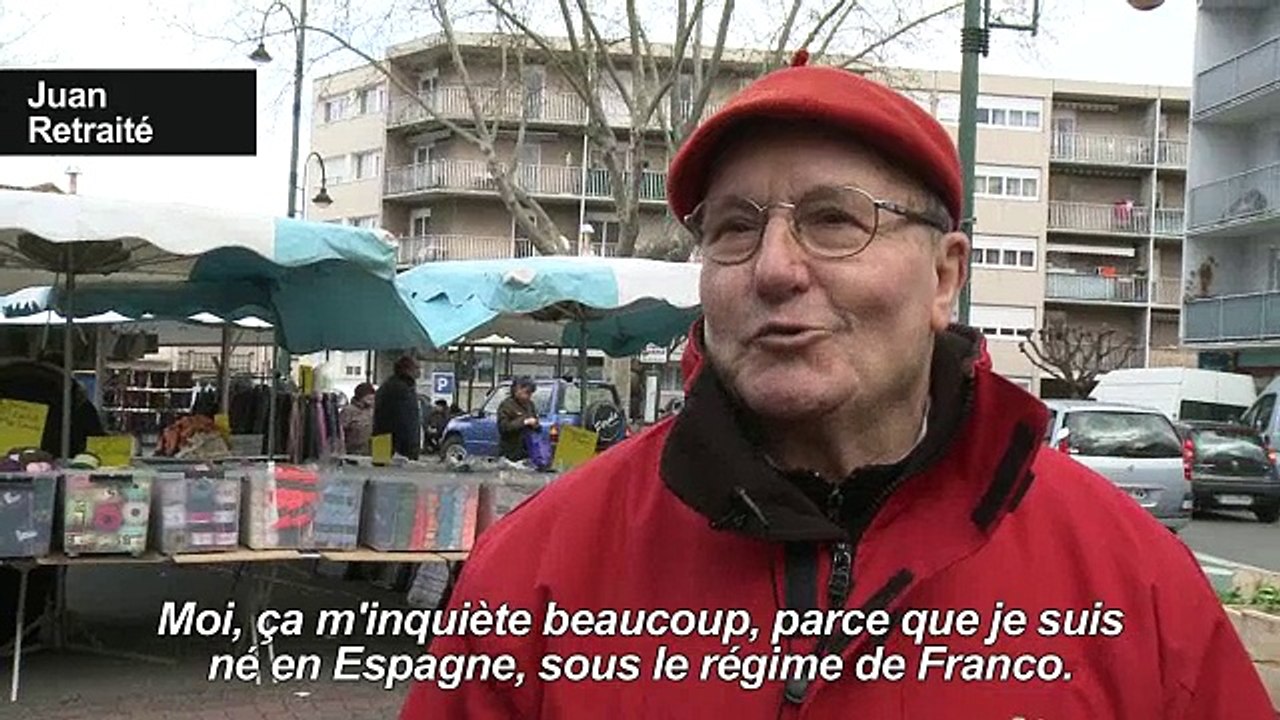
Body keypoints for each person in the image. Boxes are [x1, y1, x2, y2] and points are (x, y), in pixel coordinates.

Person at [400, 55, 1273, 718]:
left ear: (943, 276)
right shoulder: (538, 574)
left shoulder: (1131, 585)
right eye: (735, 228)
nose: (775, 269)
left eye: (834, 220)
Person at [373, 356, 421, 460]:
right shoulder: (401, 389)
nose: (419, 371)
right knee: (394, 474)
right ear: (407, 369)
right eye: (417, 368)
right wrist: (411, 445)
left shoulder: (390, 385)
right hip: (397, 446)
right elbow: (406, 420)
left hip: (383, 441)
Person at [496, 378, 539, 461]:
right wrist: (524, 422)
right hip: (510, 452)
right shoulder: (506, 405)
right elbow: (503, 427)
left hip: (527, 451)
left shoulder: (530, 405)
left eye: (531, 393)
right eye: (527, 392)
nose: (529, 396)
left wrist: (535, 425)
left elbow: (537, 425)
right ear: (517, 389)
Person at [340, 382, 375, 455]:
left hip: (370, 452)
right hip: (353, 452)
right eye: (368, 397)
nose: (371, 400)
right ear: (360, 397)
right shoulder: (348, 411)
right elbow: (340, 432)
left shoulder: (372, 411)